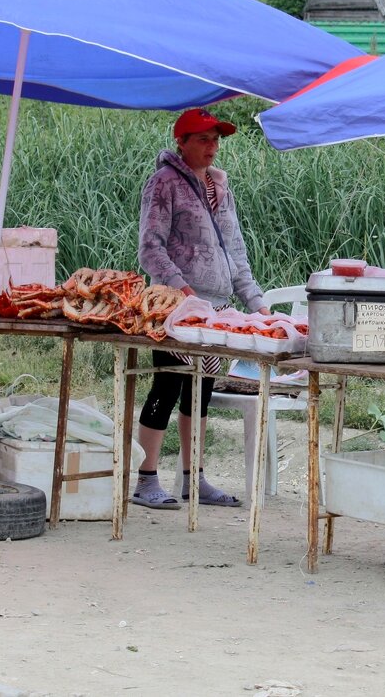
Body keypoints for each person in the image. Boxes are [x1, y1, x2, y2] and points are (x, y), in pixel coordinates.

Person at [132, 107, 269, 510]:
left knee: (202, 392)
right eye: (203, 139)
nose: (212, 147)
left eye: (216, 140)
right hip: (176, 308)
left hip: (218, 309)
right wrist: (183, 289)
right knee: (167, 384)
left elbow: (236, 252)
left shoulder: (220, 187)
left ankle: (195, 478)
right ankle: (146, 479)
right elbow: (150, 248)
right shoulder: (164, 183)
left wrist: (257, 304)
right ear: (183, 142)